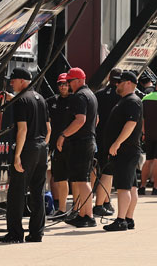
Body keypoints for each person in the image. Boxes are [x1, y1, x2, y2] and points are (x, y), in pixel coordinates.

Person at [0, 68, 50, 243]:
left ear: (22, 81)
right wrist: (43, 147)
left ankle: (15, 234)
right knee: (38, 192)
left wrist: (17, 155)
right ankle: (36, 233)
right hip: (41, 147)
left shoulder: (22, 101)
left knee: (16, 193)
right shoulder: (40, 99)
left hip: (27, 149)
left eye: (13, 80)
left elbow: (23, 129)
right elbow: (49, 129)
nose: (11, 83)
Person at [56, 67, 99, 227]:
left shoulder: (80, 96)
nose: (68, 84)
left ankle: (87, 215)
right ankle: (84, 214)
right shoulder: (91, 95)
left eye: (70, 81)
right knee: (82, 180)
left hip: (81, 142)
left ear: (80, 80)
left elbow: (80, 120)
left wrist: (63, 135)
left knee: (82, 180)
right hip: (88, 141)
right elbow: (96, 120)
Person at [102, 71, 143, 231]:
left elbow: (131, 124)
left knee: (123, 187)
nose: (116, 85)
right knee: (131, 186)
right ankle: (128, 217)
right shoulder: (127, 101)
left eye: (119, 82)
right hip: (128, 150)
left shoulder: (132, 101)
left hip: (126, 150)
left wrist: (117, 143)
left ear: (128, 84)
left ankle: (121, 220)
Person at [93, 68, 122, 217]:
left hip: (98, 138)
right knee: (108, 173)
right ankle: (101, 204)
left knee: (98, 170)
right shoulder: (121, 97)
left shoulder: (98, 95)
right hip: (114, 140)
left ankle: (104, 201)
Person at [47, 73, 72, 217]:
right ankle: (59, 207)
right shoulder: (51, 101)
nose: (63, 86)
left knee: (75, 178)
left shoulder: (76, 100)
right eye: (60, 84)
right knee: (57, 177)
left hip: (73, 144)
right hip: (56, 145)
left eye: (65, 83)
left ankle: (78, 208)